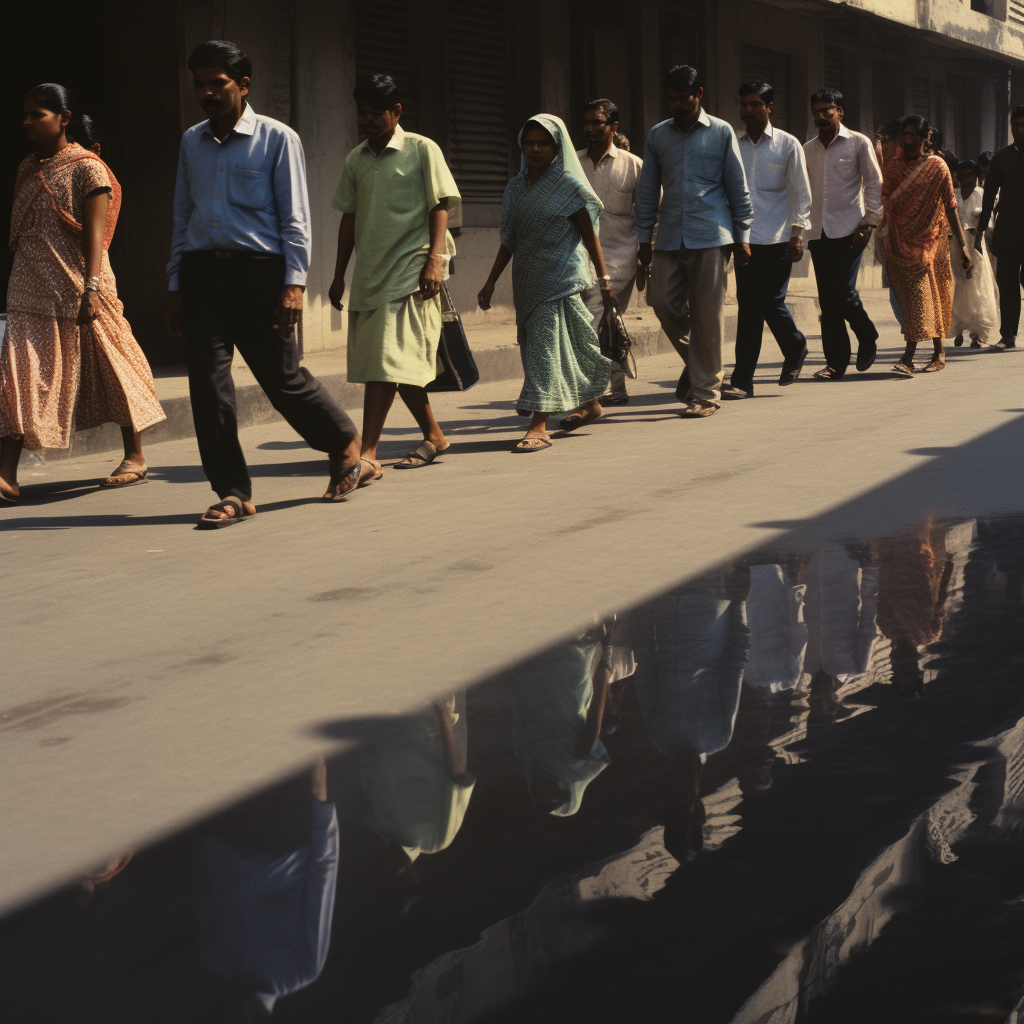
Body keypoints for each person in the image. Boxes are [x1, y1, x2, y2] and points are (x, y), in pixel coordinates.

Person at [167, 40, 365, 528]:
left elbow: (295, 218)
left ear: (244, 85)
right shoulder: (191, 141)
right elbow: (181, 215)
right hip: (200, 275)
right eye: (201, 85)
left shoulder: (278, 138)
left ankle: (342, 442)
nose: (209, 93)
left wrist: (294, 282)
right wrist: (175, 283)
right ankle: (232, 491)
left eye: (219, 83)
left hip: (260, 273)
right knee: (208, 387)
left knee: (281, 379)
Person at [0, 84, 165, 504]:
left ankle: (135, 455)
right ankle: (6, 474)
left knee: (113, 363)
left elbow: (95, 236)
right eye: (25, 114)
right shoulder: (26, 167)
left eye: (37, 114)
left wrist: (90, 289)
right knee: (18, 375)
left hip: (78, 283)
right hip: (29, 286)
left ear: (64, 118)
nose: (26, 122)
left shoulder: (88, 168)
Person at [329, 74, 462, 471]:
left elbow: (441, 204)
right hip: (373, 272)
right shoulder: (355, 159)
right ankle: (434, 436)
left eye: (375, 114)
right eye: (362, 114)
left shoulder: (422, 149)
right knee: (396, 362)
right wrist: (339, 274)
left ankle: (368, 453)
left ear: (396, 112)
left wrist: (435, 260)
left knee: (387, 360)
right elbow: (349, 218)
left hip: (412, 268)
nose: (367, 121)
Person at [477, 115, 612, 452]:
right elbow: (509, 238)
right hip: (525, 279)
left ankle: (538, 425)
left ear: (557, 147)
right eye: (529, 143)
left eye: (544, 143)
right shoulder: (515, 187)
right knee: (557, 346)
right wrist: (490, 281)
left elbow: (588, 235)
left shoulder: (569, 187)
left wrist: (604, 277)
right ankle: (591, 403)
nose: (536, 149)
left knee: (545, 350)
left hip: (561, 279)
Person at [636, 65, 753, 417]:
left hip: (711, 235)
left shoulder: (721, 131)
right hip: (669, 235)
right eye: (671, 100)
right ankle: (701, 362)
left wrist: (743, 235)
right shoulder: (658, 135)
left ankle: (706, 393)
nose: (677, 106)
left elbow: (737, 186)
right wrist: (644, 238)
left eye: (683, 99)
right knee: (660, 301)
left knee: (708, 316)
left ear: (699, 94)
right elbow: (646, 190)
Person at [722, 81, 811, 400]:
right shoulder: (734, 144)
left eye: (755, 104)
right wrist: (733, 235)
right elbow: (729, 191)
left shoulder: (788, 145)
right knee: (748, 308)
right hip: (745, 239)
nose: (747, 110)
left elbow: (802, 192)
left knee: (771, 301)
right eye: (744, 104)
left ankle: (795, 344)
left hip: (779, 238)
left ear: (769, 107)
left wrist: (798, 234)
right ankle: (743, 380)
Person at [882, 116, 972, 376]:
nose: (907, 139)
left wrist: (964, 246)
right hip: (899, 242)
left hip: (930, 240)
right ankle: (938, 351)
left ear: (925, 138)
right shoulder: (893, 167)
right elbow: (885, 202)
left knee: (924, 295)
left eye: (913, 135)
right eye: (904, 134)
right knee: (919, 299)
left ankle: (908, 357)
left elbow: (951, 206)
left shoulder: (937, 166)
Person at [803, 87, 883, 380]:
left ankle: (867, 334)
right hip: (818, 231)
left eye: (828, 110)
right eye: (817, 111)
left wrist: (870, 223)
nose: (822, 116)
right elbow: (802, 191)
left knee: (844, 294)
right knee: (828, 300)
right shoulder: (807, 149)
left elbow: (874, 184)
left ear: (840, 111)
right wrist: (798, 230)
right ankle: (836, 363)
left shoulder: (858, 143)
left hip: (851, 230)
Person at [576, 98, 643, 405]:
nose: (589, 128)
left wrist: (646, 258)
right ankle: (617, 385)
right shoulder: (571, 163)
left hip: (620, 259)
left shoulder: (633, 165)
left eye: (596, 123)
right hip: (578, 259)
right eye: (585, 123)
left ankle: (595, 390)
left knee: (598, 319)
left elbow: (649, 214)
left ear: (613, 127)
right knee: (605, 321)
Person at [976, 106, 1024, 350]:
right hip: (1008, 230)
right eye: (1016, 125)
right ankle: (1008, 336)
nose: (1020, 129)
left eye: (1023, 125)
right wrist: (982, 227)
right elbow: (989, 194)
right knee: (1007, 284)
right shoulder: (1002, 158)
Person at [951, 160, 997, 348]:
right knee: (959, 284)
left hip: (976, 243)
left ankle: (977, 333)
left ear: (976, 176)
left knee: (978, 286)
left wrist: (977, 239)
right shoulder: (953, 195)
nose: (965, 179)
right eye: (962, 175)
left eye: (970, 174)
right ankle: (959, 328)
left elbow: (988, 223)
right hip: (956, 244)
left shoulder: (982, 195)